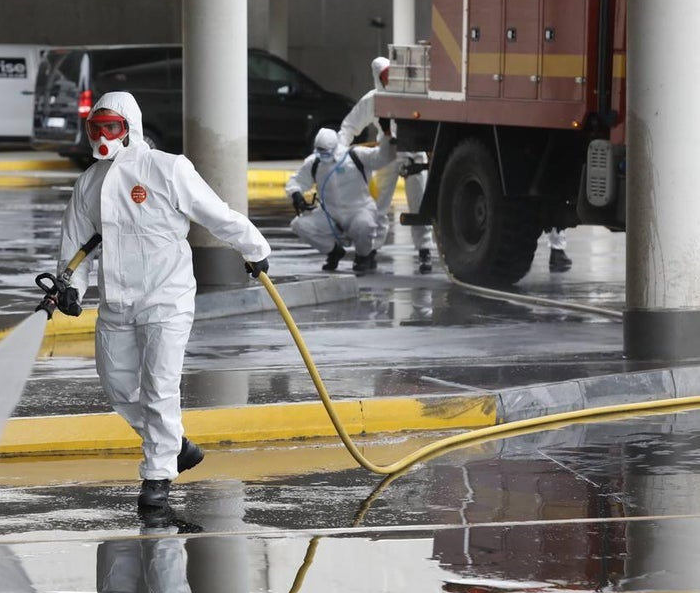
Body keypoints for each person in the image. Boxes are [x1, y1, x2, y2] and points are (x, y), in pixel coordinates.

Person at [50, 91, 271, 511]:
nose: (102, 137)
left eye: (111, 128)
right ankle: (175, 446)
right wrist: (72, 286)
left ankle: (157, 477)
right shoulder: (90, 183)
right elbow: (75, 243)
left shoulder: (166, 168)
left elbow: (214, 212)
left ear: (129, 128)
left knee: (159, 387)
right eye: (95, 129)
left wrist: (253, 247)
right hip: (116, 302)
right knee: (118, 387)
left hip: (165, 297)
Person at [338, 56, 435, 274]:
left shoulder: (409, 95)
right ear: (377, 77)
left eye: (390, 73)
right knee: (378, 205)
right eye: (384, 75)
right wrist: (338, 151)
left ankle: (425, 251)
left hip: (413, 153)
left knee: (419, 204)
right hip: (386, 154)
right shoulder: (373, 100)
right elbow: (350, 125)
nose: (388, 78)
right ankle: (371, 250)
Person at [286, 127, 395, 273]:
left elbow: (382, 158)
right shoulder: (314, 162)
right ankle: (333, 252)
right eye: (320, 150)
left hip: (359, 209)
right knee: (300, 225)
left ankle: (363, 256)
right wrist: (296, 194)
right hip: (330, 213)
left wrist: (387, 138)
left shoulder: (355, 155)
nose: (324, 154)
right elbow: (297, 181)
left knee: (365, 225)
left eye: (326, 150)